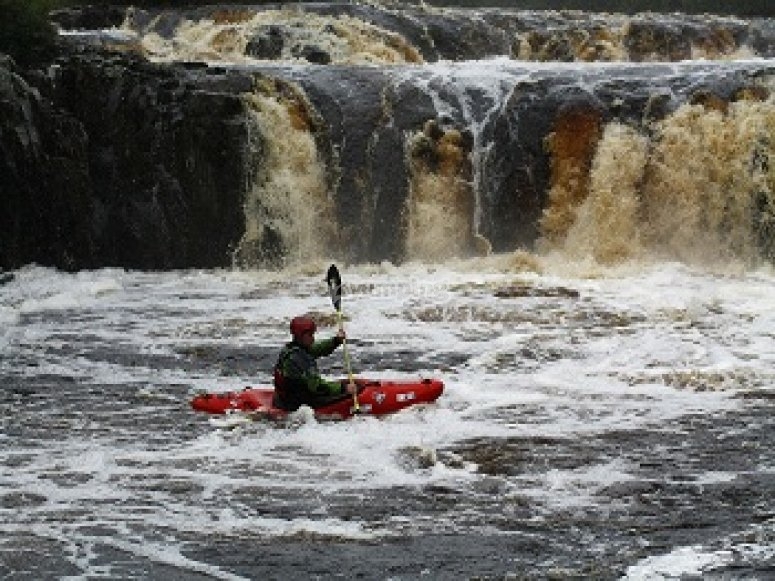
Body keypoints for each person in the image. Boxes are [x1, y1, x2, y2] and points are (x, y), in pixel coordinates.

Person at [272, 315, 357, 411]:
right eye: (310, 335)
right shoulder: (298, 359)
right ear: (300, 336)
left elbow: (318, 349)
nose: (313, 338)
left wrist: (336, 341)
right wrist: (343, 388)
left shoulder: (293, 349)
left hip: (286, 398)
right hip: (297, 403)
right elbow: (317, 386)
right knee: (345, 389)